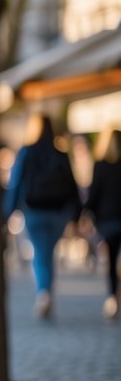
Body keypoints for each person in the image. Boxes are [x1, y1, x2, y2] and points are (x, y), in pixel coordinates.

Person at [2, 114, 82, 319]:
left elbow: (16, 183)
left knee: (40, 253)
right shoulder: (60, 153)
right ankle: (46, 292)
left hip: (34, 211)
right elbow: (72, 185)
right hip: (58, 213)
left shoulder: (26, 153)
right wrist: (77, 215)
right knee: (47, 253)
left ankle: (43, 293)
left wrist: (7, 212)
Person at [83, 128, 121, 319]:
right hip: (113, 219)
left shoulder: (101, 165)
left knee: (111, 262)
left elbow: (94, 194)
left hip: (107, 220)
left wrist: (86, 212)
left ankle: (112, 298)